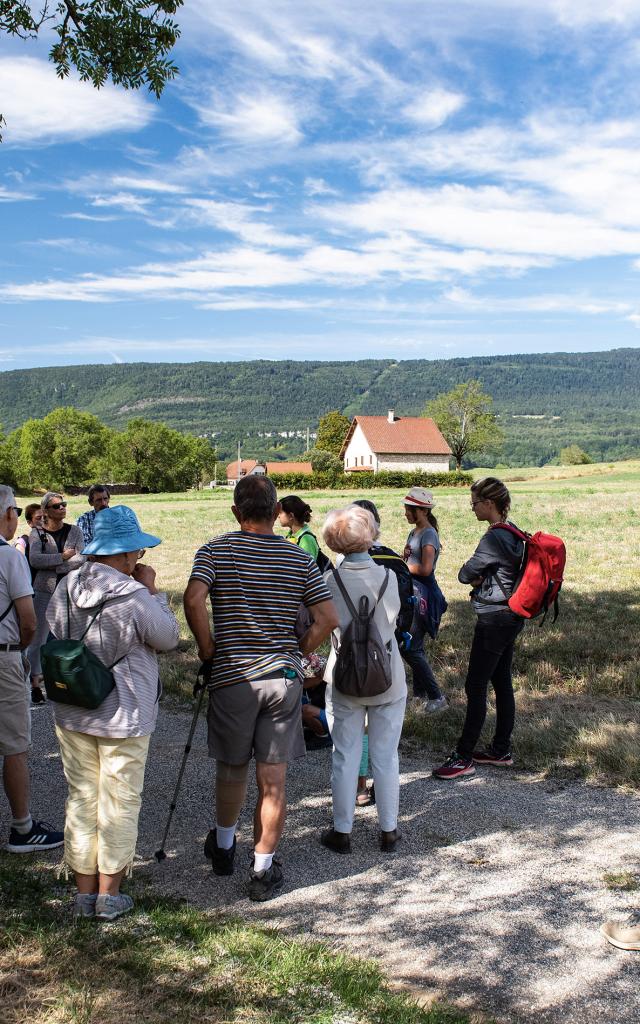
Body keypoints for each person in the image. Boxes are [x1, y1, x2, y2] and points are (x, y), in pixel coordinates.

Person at [184, 475, 338, 902]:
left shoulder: (214, 550)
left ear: (236, 512)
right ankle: (263, 868)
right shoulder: (299, 560)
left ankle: (225, 847)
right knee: (274, 779)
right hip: (282, 679)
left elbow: (194, 599)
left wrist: (209, 649)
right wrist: (296, 651)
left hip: (233, 676)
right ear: (275, 512)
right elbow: (327, 618)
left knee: (232, 768)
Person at [46, 505, 179, 920]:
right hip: (124, 712)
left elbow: (55, 629)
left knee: (82, 798)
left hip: (74, 707)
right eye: (135, 553)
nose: (138, 559)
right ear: (124, 555)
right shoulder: (135, 594)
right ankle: (109, 894)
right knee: (120, 799)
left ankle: (84, 892)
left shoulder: (67, 585)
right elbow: (168, 638)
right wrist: (153, 592)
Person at [320, 505, 407, 855]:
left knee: (345, 754)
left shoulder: (330, 581)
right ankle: (389, 830)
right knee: (386, 756)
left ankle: (342, 830)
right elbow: (394, 622)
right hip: (387, 673)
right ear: (369, 535)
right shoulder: (388, 577)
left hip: (343, 674)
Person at [433, 477, 526, 780]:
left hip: (494, 619)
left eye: (474, 503)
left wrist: (476, 578)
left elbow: (464, 574)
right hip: (511, 615)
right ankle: (501, 749)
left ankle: (463, 755)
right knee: (501, 681)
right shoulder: (516, 533)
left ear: (489, 503)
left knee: (475, 685)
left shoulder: (493, 538)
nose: (471, 508)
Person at [0, 485, 64, 854]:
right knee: (14, 746)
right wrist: (23, 652)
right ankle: (22, 827)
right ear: (9, 514)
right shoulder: (9, 558)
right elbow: (28, 621)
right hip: (4, 656)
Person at [26, 492, 85, 697]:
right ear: (46, 511)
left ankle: (67, 679)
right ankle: (35, 683)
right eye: (57, 506)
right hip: (44, 590)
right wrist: (61, 556)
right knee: (39, 636)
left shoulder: (74, 531)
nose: (62, 508)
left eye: (64, 505)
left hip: (70, 590)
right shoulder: (38, 534)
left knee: (70, 635)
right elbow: (35, 560)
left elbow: (81, 558)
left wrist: (54, 565)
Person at [401, 487, 448, 713]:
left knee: (411, 649)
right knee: (414, 645)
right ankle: (419, 696)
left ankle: (437, 697)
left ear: (422, 510)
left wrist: (402, 566)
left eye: (409, 509)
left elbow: (426, 568)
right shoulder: (415, 533)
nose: (406, 513)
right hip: (413, 592)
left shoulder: (429, 534)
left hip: (423, 596)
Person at [14, 503, 46, 706]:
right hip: (30, 595)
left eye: (44, 518)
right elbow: (18, 553)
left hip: (47, 594)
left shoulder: (49, 539)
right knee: (32, 641)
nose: (42, 522)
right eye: (37, 519)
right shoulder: (24, 540)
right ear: (28, 522)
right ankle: (33, 685)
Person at [278, 495, 320, 559]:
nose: (278, 516)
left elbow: (307, 566)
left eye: (280, 513)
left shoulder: (307, 540)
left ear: (291, 516)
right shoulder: (291, 535)